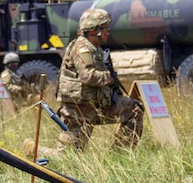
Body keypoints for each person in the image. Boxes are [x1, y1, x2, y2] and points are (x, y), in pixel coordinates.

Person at [53, 8, 144, 151]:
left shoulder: (96, 49)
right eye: (105, 29)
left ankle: (120, 155)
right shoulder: (81, 48)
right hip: (80, 110)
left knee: (134, 109)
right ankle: (33, 150)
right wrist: (110, 77)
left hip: (98, 105)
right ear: (93, 31)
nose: (108, 32)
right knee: (67, 157)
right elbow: (87, 76)